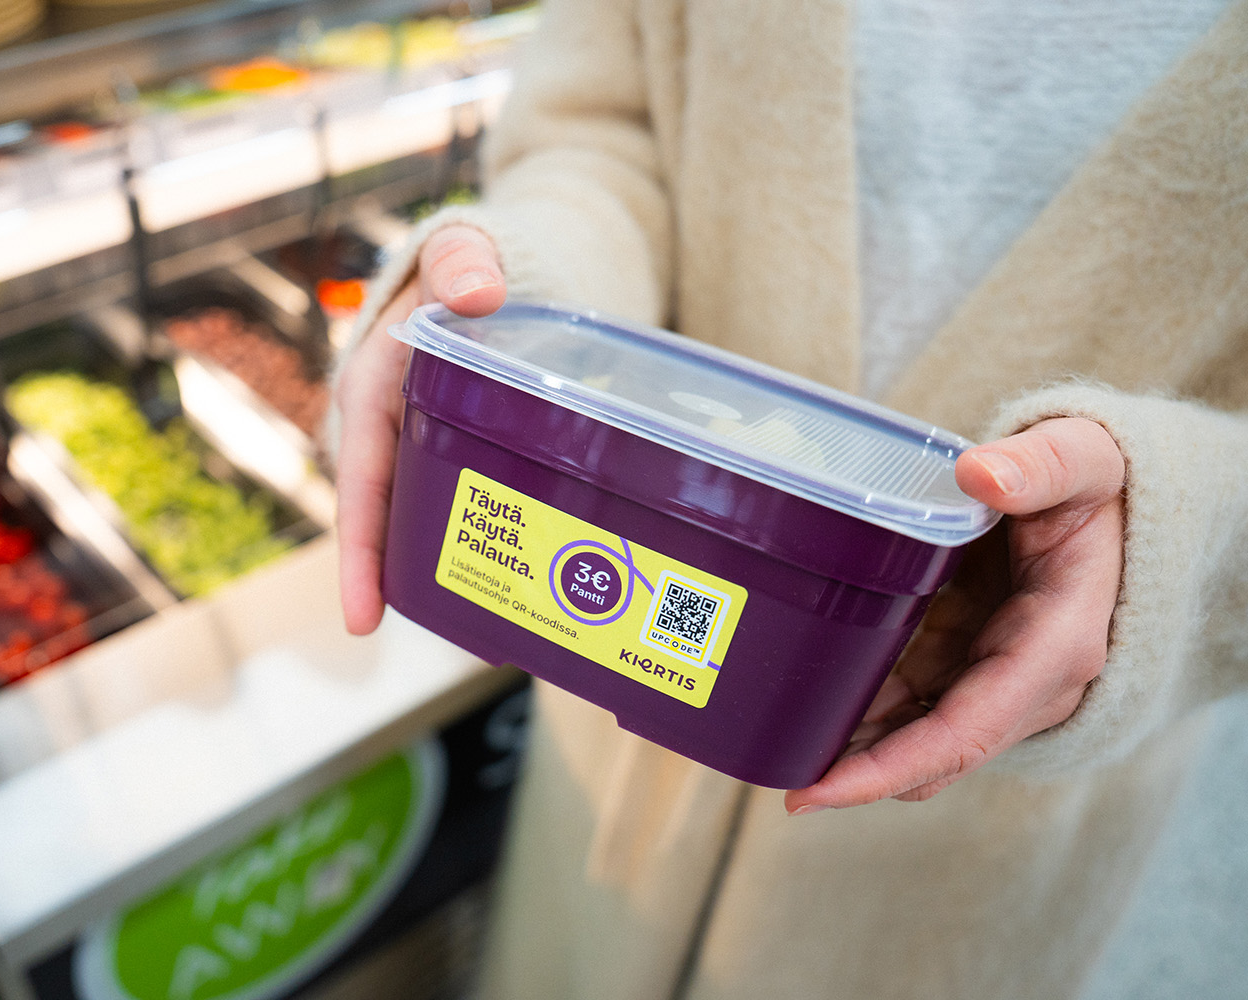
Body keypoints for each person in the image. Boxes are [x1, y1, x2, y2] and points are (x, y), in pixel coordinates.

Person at [331, 1, 1248, 997]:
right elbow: (602, 127)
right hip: (614, 641)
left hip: (979, 796)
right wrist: (531, 310)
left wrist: (1181, 533)